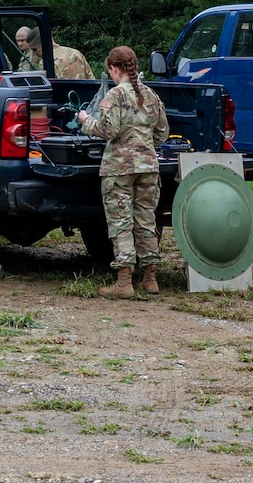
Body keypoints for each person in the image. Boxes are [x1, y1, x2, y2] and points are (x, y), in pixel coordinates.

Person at [76, 45, 170, 298]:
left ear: (113, 68)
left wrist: (86, 122)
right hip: (149, 166)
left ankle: (124, 282)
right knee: (146, 220)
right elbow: (162, 133)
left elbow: (109, 131)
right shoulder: (150, 95)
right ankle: (150, 279)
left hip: (119, 168)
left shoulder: (114, 95)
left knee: (121, 223)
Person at [12, 26, 94, 79]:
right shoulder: (75, 53)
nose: (34, 54)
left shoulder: (47, 62)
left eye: (34, 49)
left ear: (44, 44)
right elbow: (91, 79)